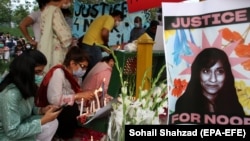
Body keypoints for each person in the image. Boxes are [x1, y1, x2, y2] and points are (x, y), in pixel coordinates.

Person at [35, 46, 96, 140]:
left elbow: (74, 95)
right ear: (72, 63)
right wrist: (77, 96)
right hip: (53, 111)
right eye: (82, 66)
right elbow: (54, 100)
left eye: (86, 68)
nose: (84, 70)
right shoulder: (58, 73)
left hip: (65, 110)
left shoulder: (76, 77)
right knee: (71, 110)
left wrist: (86, 96)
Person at [0, 49, 61, 140]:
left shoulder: (25, 86)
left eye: (41, 72)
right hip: (6, 136)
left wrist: (41, 110)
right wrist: (42, 121)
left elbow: (27, 109)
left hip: (22, 124)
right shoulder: (10, 94)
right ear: (25, 70)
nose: (40, 75)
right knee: (46, 123)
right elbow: (12, 132)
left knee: (52, 122)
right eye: (37, 72)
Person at [174, 48, 244, 121]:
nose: (213, 79)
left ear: (227, 75)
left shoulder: (234, 106)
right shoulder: (184, 104)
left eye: (220, 71)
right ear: (197, 73)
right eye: (206, 71)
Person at [80, 10, 124, 74]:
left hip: (87, 42)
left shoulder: (104, 17)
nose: (118, 23)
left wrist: (105, 47)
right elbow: (104, 33)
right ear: (118, 16)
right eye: (119, 20)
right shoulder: (110, 19)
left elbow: (100, 37)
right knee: (97, 69)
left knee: (87, 69)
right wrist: (106, 43)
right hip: (92, 44)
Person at [37, 0, 74, 72]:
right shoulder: (55, 11)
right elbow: (64, 36)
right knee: (56, 73)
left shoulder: (46, 9)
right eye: (70, 0)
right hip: (55, 51)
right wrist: (72, 40)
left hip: (46, 46)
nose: (70, 3)